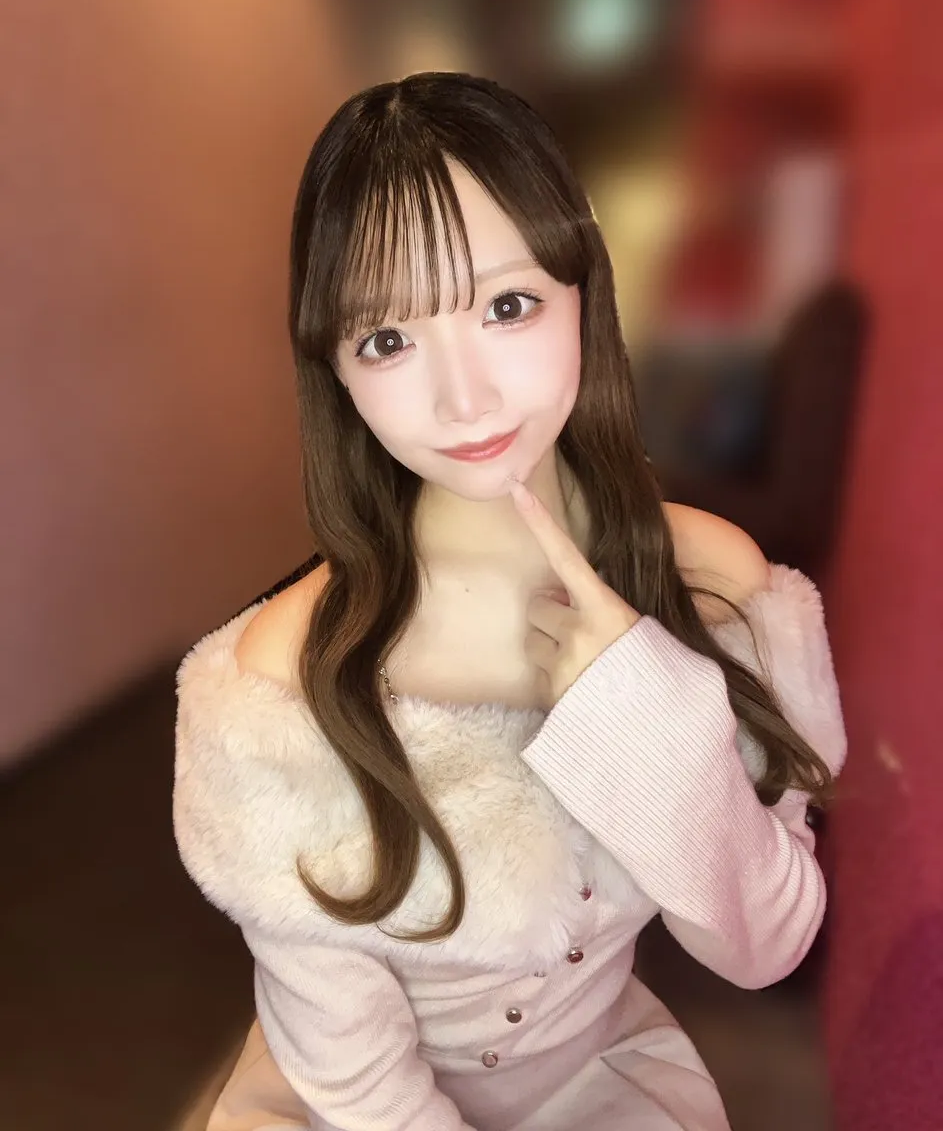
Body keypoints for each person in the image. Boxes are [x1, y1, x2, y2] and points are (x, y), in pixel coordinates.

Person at [173, 72, 846, 1131]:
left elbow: (764, 949)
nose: (464, 397)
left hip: (603, 1083)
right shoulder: (279, 682)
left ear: (583, 293)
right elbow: (356, 1081)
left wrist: (645, 719)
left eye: (506, 306)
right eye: (386, 339)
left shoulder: (717, 582)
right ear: (337, 370)